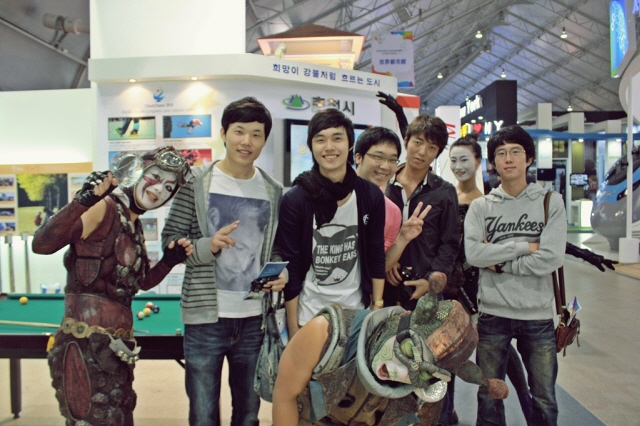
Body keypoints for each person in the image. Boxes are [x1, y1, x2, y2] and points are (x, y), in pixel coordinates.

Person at [31, 146, 192, 426]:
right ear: (138, 171)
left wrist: (169, 261)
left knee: (119, 417)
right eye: (155, 177)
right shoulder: (103, 208)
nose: (159, 189)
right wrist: (82, 202)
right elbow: (42, 244)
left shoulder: (134, 224)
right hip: (84, 344)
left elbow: (139, 283)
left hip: (116, 348)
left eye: (169, 187)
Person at [161, 97, 286, 426]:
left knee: (248, 415)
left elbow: (274, 248)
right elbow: (170, 240)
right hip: (205, 319)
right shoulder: (195, 183)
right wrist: (208, 245)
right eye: (239, 131)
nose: (247, 141)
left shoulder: (273, 190)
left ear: (264, 140)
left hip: (254, 320)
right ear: (223, 133)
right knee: (203, 415)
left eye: (256, 134)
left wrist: (279, 272)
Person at [271, 291, 509, 425]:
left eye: (422, 372)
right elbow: (284, 396)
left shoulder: (422, 396)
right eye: (408, 350)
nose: (401, 372)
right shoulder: (325, 333)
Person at [464, 125, 567, 425]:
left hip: (537, 315)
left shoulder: (550, 202)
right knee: (488, 396)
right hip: (492, 314)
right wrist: (525, 247)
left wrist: (501, 262)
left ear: (529, 158)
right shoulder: (480, 207)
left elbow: (551, 258)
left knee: (544, 397)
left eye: (515, 152)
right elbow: (475, 255)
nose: (508, 159)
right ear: (493, 162)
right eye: (501, 153)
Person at [275, 108, 386, 338]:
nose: (329, 147)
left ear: (350, 144)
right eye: (320, 140)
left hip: (357, 314)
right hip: (310, 316)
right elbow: (292, 265)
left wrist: (376, 306)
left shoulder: (370, 195)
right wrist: (293, 326)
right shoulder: (295, 199)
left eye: (337, 138)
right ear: (311, 146)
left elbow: (375, 252)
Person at [384, 113, 459, 310]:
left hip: (426, 289)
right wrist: (388, 260)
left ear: (437, 153)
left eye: (432, 148)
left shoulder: (444, 192)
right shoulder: (384, 186)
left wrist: (430, 280)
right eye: (417, 142)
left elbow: (450, 243)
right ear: (406, 141)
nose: (422, 152)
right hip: (383, 286)